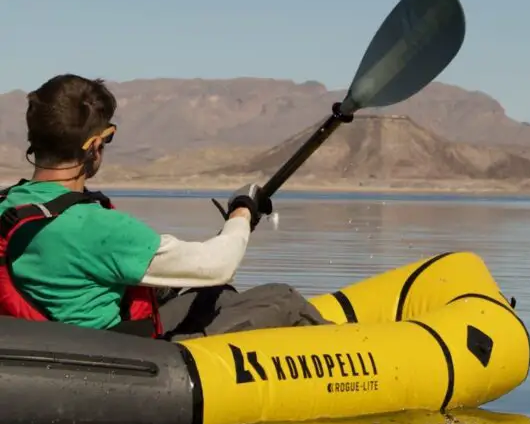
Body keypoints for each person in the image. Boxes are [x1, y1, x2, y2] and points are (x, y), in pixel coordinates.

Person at [0, 74, 328, 338]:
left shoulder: (8, 207)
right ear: (95, 146)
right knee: (282, 298)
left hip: (59, 343)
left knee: (219, 295)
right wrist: (242, 212)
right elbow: (220, 264)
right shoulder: (98, 228)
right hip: (122, 357)